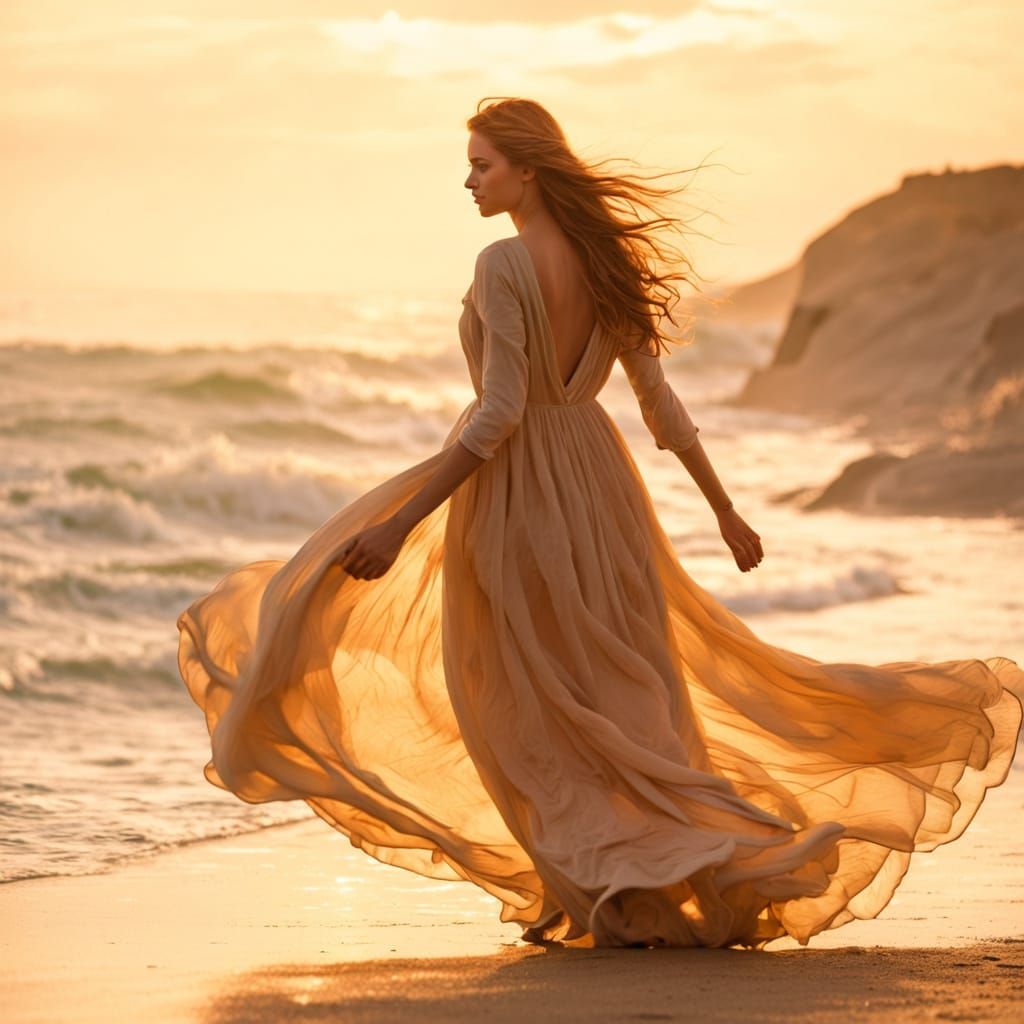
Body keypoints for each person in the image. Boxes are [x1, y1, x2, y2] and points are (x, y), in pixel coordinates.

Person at [177, 97, 1023, 950]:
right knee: (613, 696)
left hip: (516, 496)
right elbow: (660, 407)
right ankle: (619, 881)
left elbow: (498, 414)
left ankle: (623, 876)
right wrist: (722, 507)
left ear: (528, 169)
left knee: (522, 702)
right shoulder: (608, 260)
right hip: (602, 488)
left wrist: (401, 523)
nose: (467, 179)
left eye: (482, 164)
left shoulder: (502, 264)